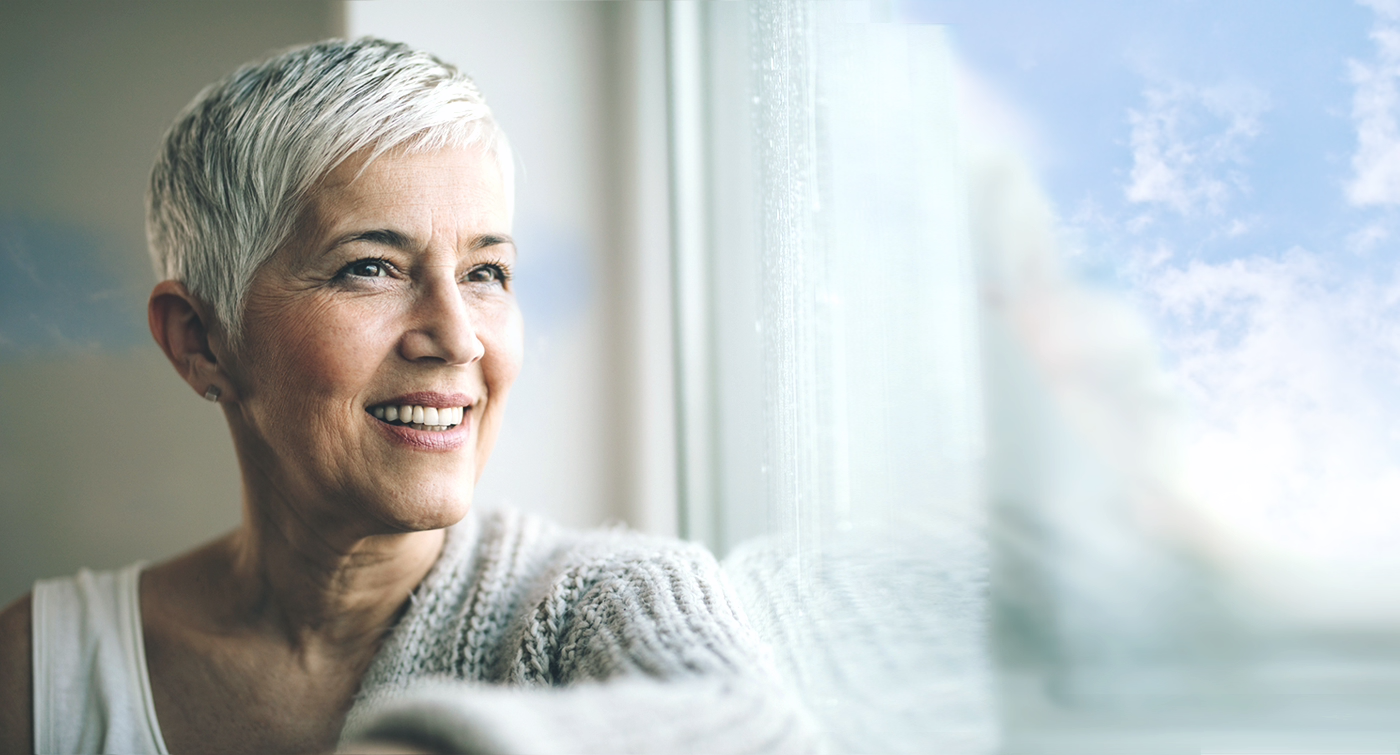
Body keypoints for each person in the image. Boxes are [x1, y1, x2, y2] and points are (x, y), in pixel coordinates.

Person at [0, 37, 810, 754]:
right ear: (200, 341)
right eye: (371, 267)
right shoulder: (47, 671)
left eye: (485, 272)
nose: (458, 337)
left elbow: (753, 727)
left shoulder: (604, 596)